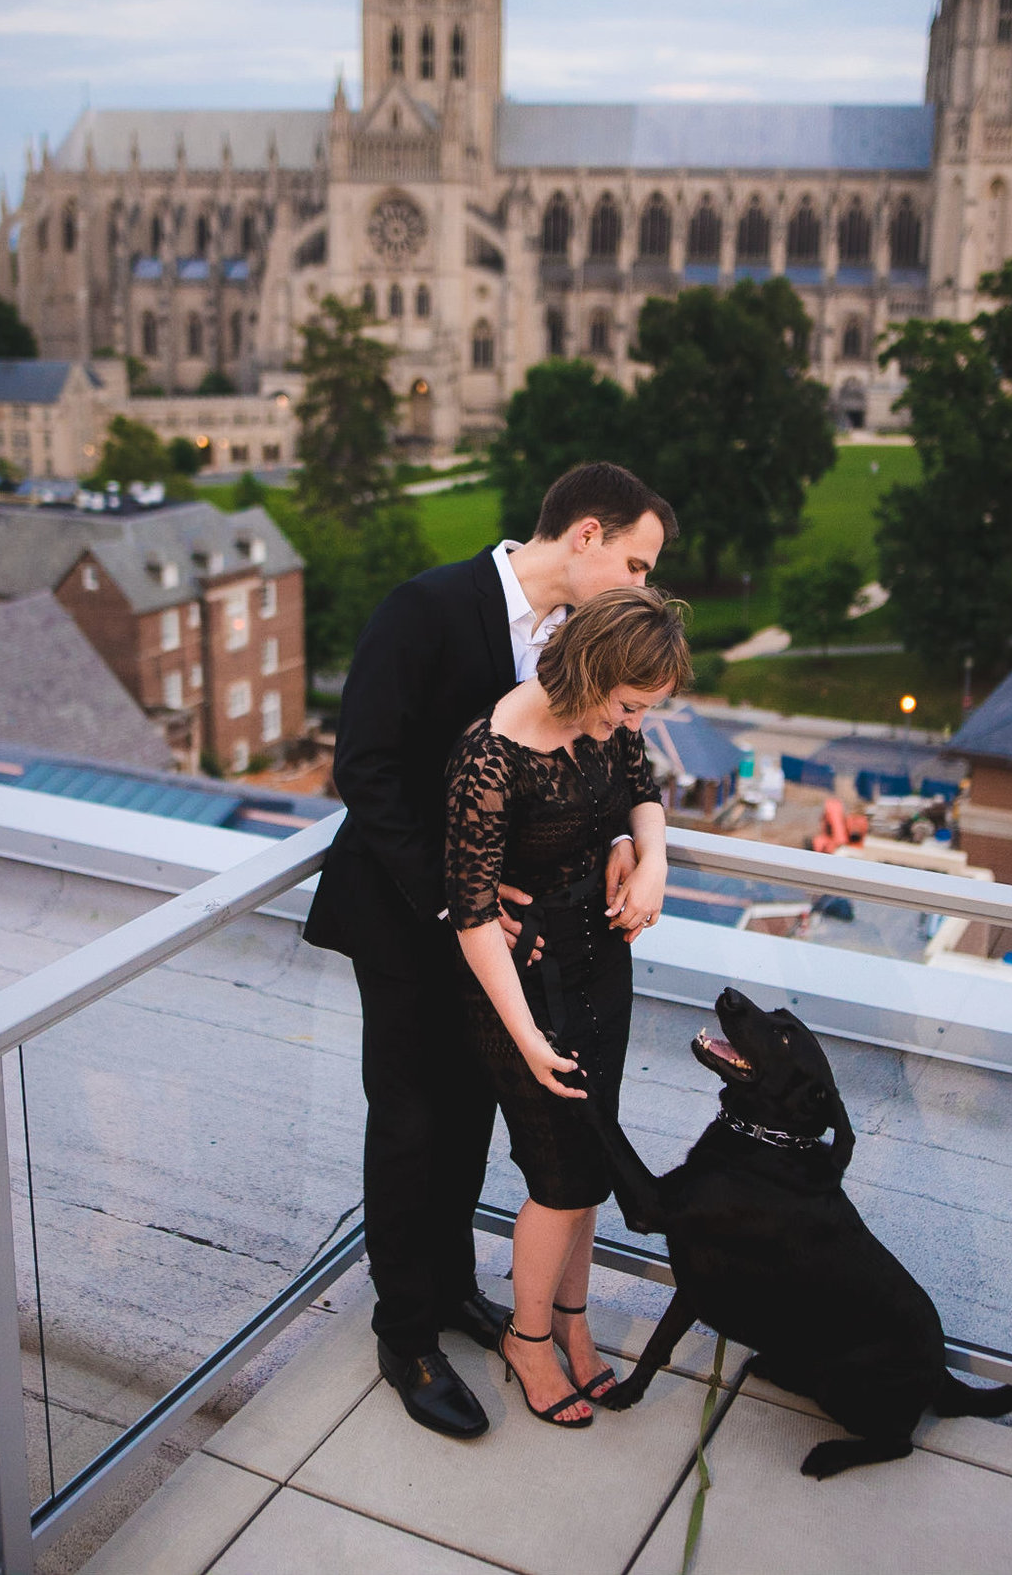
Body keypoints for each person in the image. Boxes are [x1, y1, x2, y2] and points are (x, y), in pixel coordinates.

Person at [303, 463, 676, 1439]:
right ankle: (405, 1336)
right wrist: (454, 896)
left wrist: (631, 843)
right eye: (635, 562)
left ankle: (459, 1287)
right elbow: (365, 769)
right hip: (403, 916)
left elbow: (598, 756)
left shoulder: (576, 642)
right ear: (585, 535)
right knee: (412, 1124)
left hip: (503, 938)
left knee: (471, 1116)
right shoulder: (424, 606)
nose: (640, 585)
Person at [445, 588, 688, 1427]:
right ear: (591, 671)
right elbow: (473, 921)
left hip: (598, 968)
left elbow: (640, 787)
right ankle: (529, 1336)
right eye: (628, 705)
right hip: (521, 989)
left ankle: (575, 1324)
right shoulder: (491, 754)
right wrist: (527, 1040)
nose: (632, 723)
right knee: (557, 1179)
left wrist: (646, 855)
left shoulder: (610, 722)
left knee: (592, 1162)